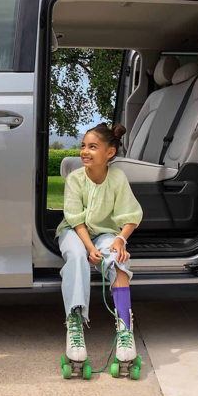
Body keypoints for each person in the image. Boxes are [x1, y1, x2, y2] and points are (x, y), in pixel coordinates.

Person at [56, 123, 143, 369]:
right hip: (75, 231)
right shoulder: (75, 178)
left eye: (92, 147)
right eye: (83, 146)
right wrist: (88, 248)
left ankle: (125, 330)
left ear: (110, 153)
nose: (85, 151)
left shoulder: (117, 178)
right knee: (75, 255)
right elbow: (74, 218)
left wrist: (120, 240)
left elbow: (131, 214)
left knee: (118, 257)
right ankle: (74, 324)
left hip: (105, 232)